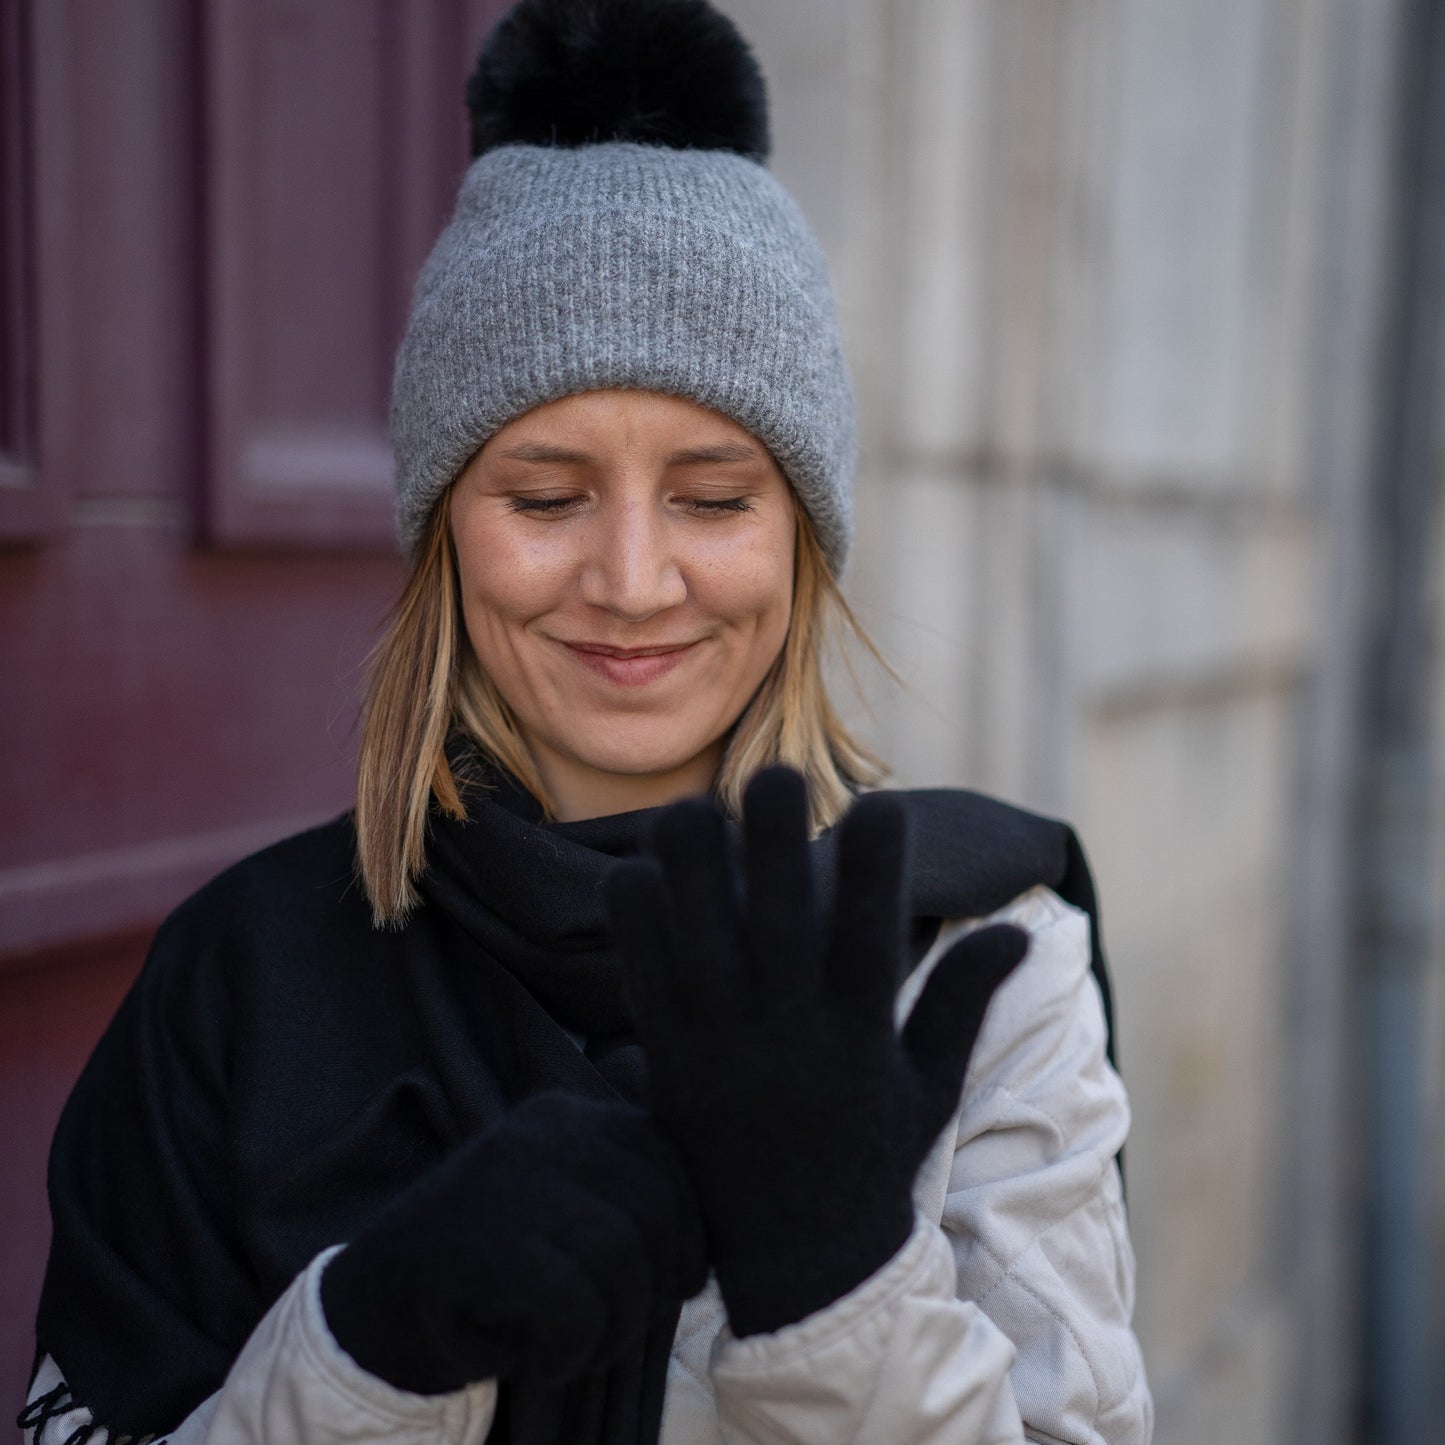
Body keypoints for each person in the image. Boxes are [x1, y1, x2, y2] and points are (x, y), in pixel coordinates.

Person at [20, 1, 1152, 1442]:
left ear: (803, 535)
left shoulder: (980, 966)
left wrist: (838, 1298)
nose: (631, 580)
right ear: (444, 530)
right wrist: (364, 1349)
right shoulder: (239, 979)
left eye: (714, 497)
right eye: (546, 497)